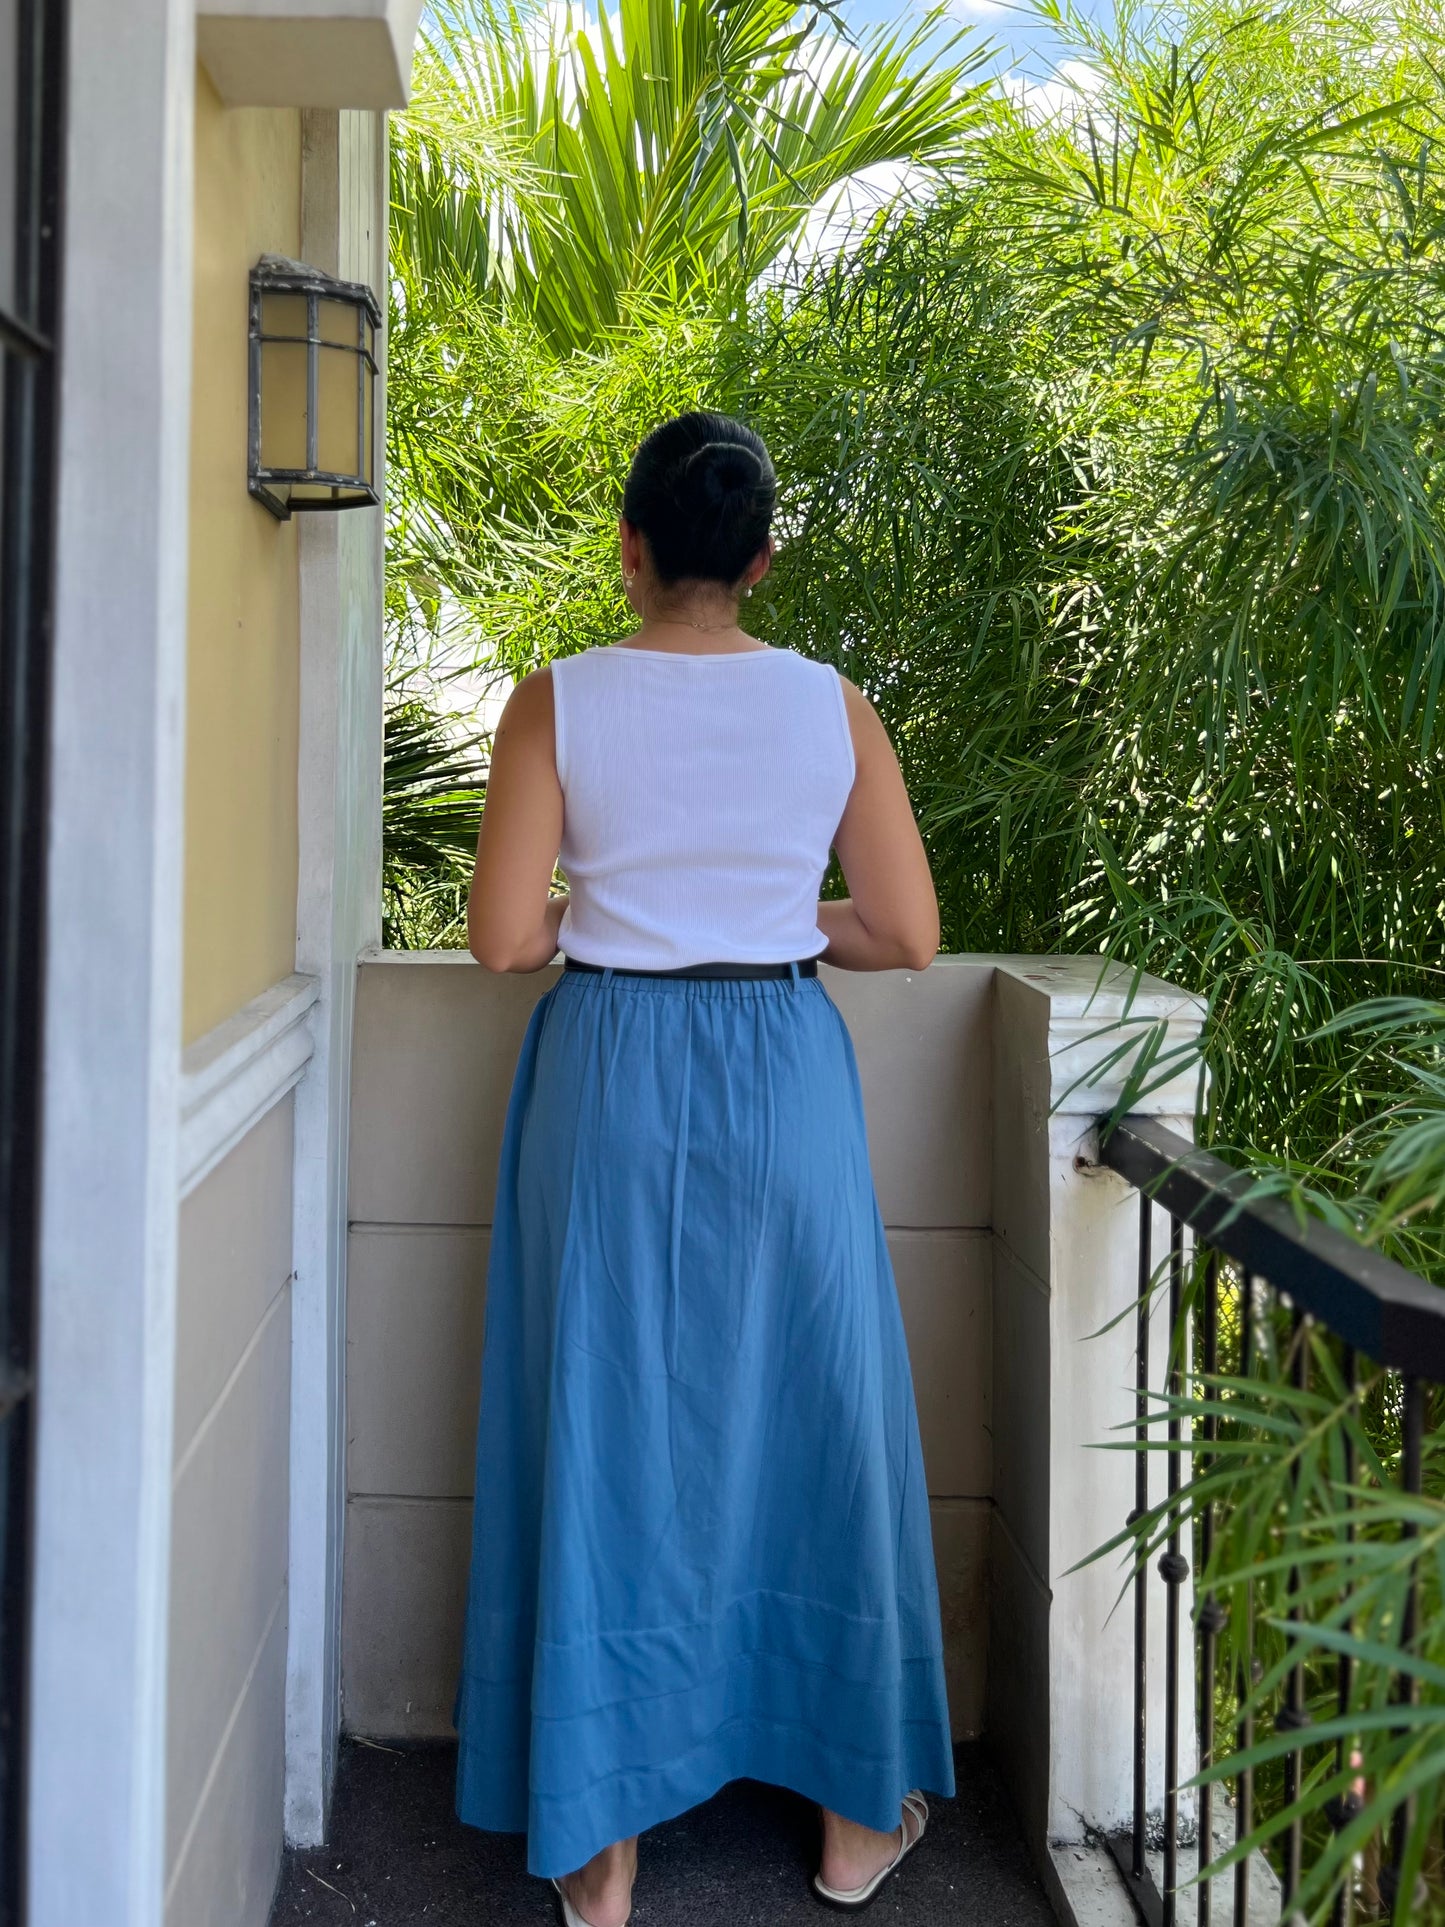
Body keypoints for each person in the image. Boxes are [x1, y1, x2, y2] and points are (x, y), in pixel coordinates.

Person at [454, 410, 955, 1926]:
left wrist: (624, 914)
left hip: (610, 1067)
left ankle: (599, 1848)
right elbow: (907, 935)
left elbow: (502, 942)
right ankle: (855, 1827)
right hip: (780, 1075)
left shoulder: (556, 703)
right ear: (758, 556)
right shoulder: (834, 708)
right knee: (815, 1411)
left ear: (628, 546)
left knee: (600, 1414)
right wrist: (775, 922)